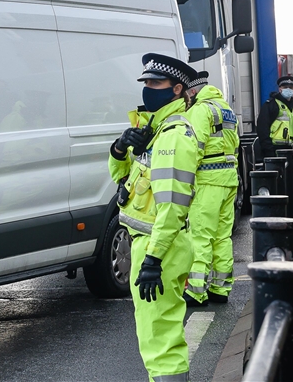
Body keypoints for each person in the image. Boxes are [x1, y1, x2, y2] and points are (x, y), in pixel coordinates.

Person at [108, 53, 200, 382]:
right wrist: (120, 148)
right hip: (149, 244)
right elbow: (123, 179)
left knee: (160, 340)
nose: (148, 88)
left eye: (156, 83)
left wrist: (154, 259)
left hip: (161, 246)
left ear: (177, 90)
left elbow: (172, 206)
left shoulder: (173, 135)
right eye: (146, 82)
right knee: (153, 336)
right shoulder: (155, 130)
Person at [182, 71, 240, 307]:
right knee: (222, 236)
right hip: (229, 178)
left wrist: (184, 177)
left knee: (200, 235)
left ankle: (196, 291)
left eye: (186, 94)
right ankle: (220, 288)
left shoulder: (200, 110)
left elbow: (194, 147)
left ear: (192, 91)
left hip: (207, 180)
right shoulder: (225, 108)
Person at [255, 76, 293, 158]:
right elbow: (262, 129)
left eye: (291, 87)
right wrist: (269, 151)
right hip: (276, 150)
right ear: (280, 89)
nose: (288, 89)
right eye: (285, 87)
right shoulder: (271, 105)